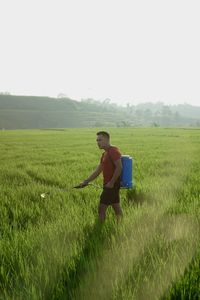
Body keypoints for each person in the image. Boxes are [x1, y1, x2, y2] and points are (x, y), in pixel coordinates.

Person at [79, 131, 123, 222]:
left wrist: (111, 183)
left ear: (107, 140)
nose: (98, 142)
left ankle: (99, 228)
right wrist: (86, 181)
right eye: (97, 140)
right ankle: (121, 225)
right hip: (110, 185)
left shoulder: (113, 151)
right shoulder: (104, 154)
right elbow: (98, 170)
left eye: (100, 140)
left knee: (101, 209)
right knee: (116, 206)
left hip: (112, 185)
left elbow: (119, 167)